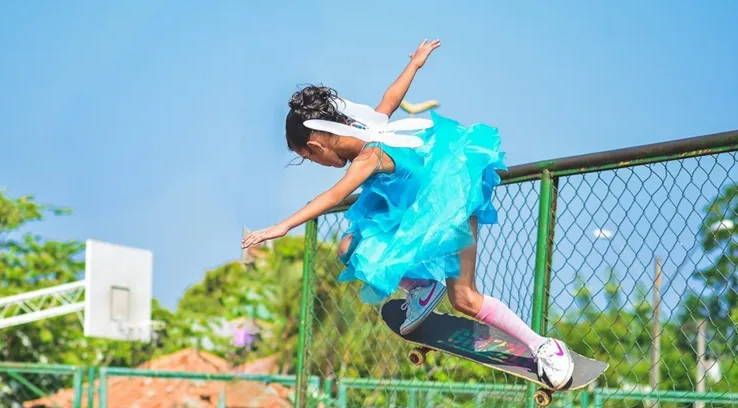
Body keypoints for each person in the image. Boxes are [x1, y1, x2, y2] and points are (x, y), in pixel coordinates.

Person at [242, 39, 575, 389]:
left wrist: (280, 227)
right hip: (423, 207)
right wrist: (414, 64)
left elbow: (334, 195)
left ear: (316, 145)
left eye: (310, 158)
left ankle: (544, 347)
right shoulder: (370, 126)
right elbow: (391, 97)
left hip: (452, 202)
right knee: (349, 247)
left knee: (465, 298)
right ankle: (421, 287)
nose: (318, 163)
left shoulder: (368, 157)